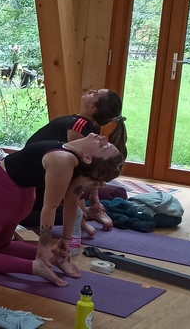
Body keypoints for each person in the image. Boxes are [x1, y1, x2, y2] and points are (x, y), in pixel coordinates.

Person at [0, 132, 125, 286]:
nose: (103, 138)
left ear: (88, 157)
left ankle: (36, 266)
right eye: (107, 143)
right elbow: (72, 203)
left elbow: (51, 207)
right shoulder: (73, 160)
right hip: (19, 198)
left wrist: (43, 247)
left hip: (1, 196)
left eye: (103, 146)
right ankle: (55, 258)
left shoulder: (63, 159)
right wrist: (65, 240)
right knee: (0, 247)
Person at [21, 88, 128, 234]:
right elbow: (81, 173)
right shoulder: (87, 126)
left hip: (40, 181)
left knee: (65, 210)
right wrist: (87, 208)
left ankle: (83, 216)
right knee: (59, 210)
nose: (91, 90)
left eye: (95, 93)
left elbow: (79, 174)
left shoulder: (80, 126)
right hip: (33, 179)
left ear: (93, 107)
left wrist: (91, 203)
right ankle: (84, 215)